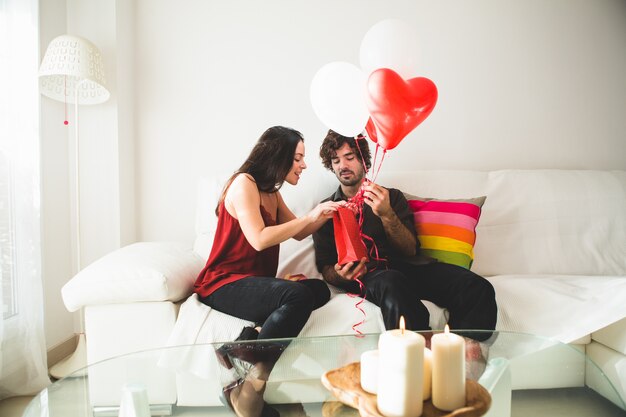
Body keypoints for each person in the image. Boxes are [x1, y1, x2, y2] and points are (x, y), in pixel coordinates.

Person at [194, 126, 340, 417]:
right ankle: (252, 385)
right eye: (298, 158)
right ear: (279, 155)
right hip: (223, 283)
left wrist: (326, 214)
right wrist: (309, 217)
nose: (304, 165)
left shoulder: (271, 193)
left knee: (319, 290)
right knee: (297, 296)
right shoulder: (243, 183)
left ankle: (247, 341)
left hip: (253, 282)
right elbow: (258, 238)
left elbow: (299, 233)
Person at [313, 130, 497, 341]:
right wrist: (339, 275)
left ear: (363, 160)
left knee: (477, 287)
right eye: (336, 160)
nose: (342, 165)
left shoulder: (390, 197)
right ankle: (417, 354)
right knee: (391, 281)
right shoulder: (326, 210)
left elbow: (410, 249)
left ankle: (461, 354)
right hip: (371, 276)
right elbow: (325, 267)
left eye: (349, 157)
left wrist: (387, 214)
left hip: (409, 267)